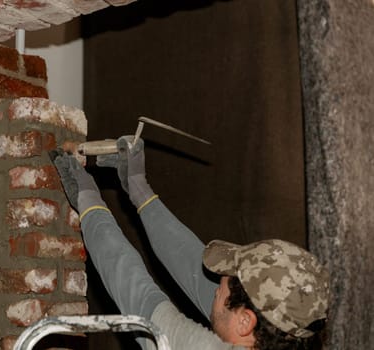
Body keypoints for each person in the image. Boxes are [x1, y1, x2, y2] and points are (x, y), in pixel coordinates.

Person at [50, 136, 329, 350]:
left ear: (245, 321)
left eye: (225, 282)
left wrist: (87, 201)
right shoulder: (272, 330)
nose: (216, 283)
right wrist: (139, 189)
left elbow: (139, 296)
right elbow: (192, 267)